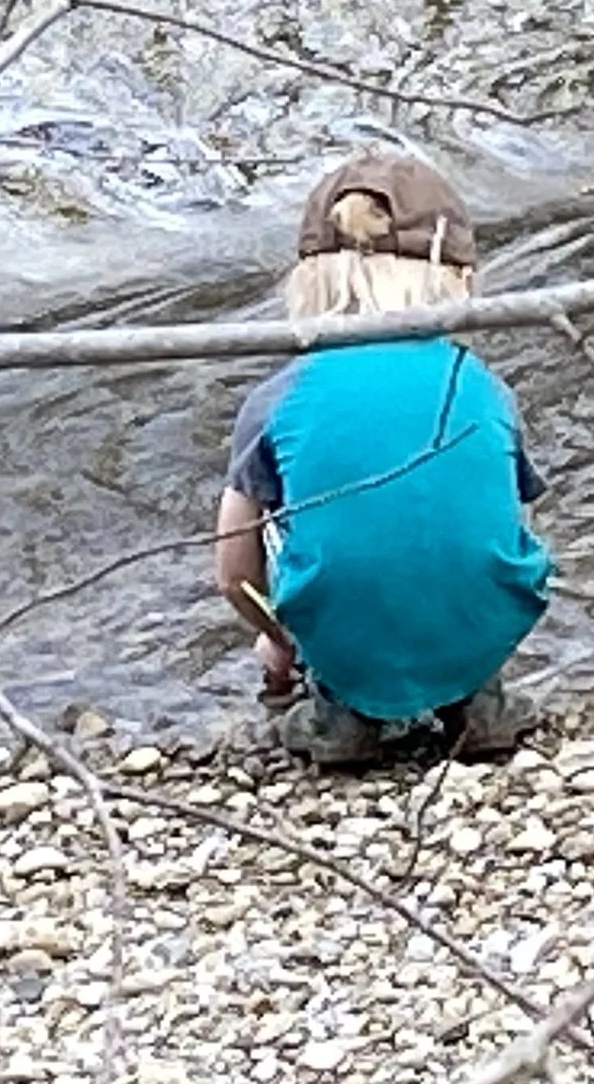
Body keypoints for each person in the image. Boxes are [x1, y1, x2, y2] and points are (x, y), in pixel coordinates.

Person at [215, 148, 551, 766]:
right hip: (483, 624)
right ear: (458, 279)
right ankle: (478, 699)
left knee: (282, 522)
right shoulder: (480, 383)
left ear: (307, 281)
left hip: (342, 636)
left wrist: (278, 640)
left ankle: (343, 714)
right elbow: (510, 520)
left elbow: (232, 567)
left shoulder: (277, 397)